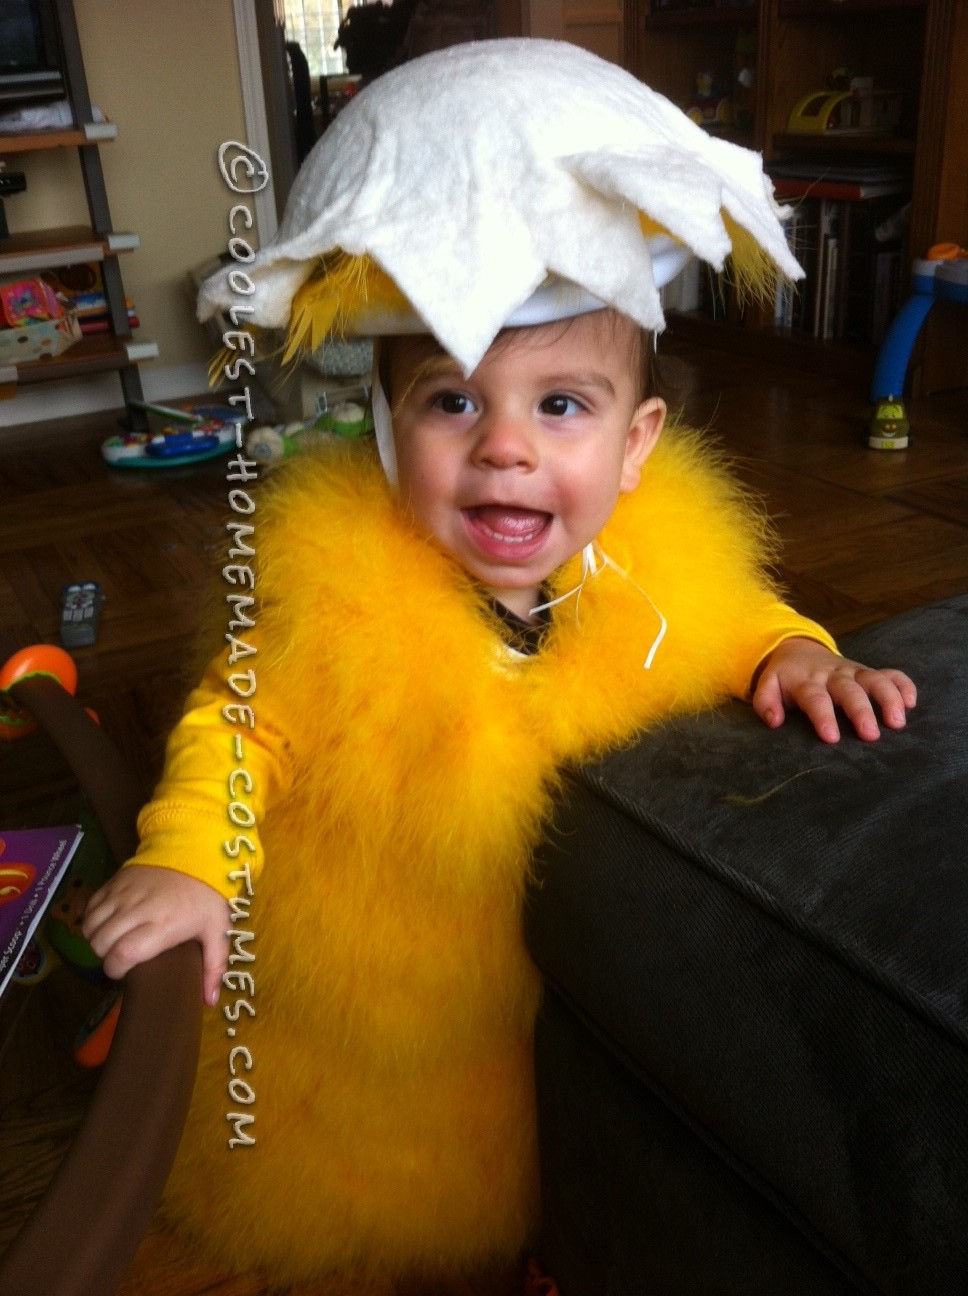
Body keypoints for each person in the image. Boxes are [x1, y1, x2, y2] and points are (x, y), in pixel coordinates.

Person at [83, 38, 915, 1286]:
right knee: (346, 1214)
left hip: (559, 1011)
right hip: (374, 1028)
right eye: (452, 404)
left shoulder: (653, 562)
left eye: (561, 407)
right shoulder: (329, 598)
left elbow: (733, 612)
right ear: (379, 429)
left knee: (559, 1157)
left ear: (635, 447)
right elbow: (236, 729)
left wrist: (796, 653)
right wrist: (188, 862)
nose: (506, 452)